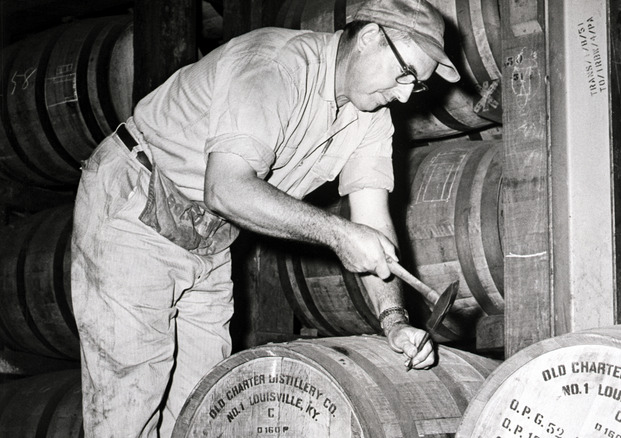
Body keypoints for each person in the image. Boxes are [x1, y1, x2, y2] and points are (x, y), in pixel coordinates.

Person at [70, 0, 460, 436]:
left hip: (209, 239)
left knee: (205, 408)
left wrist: (395, 323)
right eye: (406, 74)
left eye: (418, 86)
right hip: (138, 204)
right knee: (130, 401)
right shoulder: (275, 65)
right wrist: (337, 233)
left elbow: (373, 227)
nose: (406, 94)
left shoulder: (370, 117)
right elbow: (226, 188)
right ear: (369, 38)